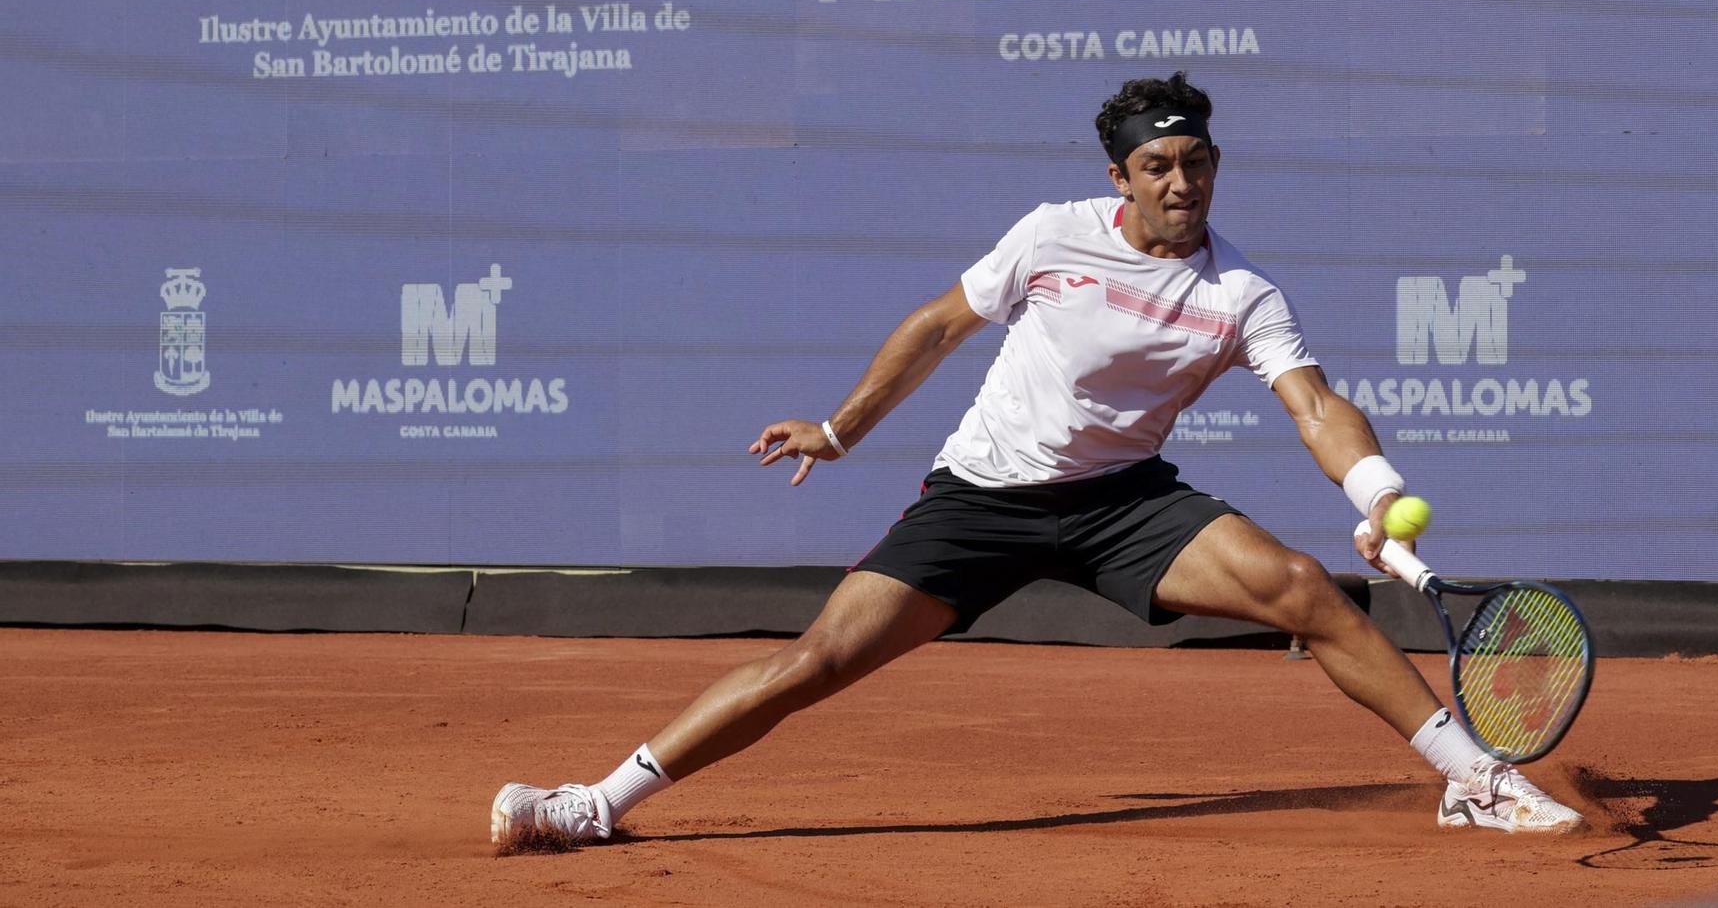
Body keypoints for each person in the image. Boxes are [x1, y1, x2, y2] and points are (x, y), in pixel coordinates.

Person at [491, 72, 1581, 845]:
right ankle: (596, 802)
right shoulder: (1052, 234)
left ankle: (1471, 781)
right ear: (1120, 172)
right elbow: (933, 326)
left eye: (1196, 162)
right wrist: (840, 429)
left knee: (1307, 591)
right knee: (814, 662)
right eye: (1157, 165)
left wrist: (1373, 490)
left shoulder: (1238, 293)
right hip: (981, 499)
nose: (1180, 183)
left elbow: (1313, 403)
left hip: (1122, 504)